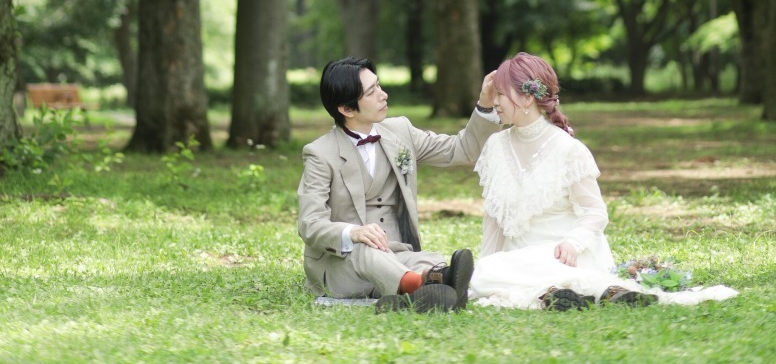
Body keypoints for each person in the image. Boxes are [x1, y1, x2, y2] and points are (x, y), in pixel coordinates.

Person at [469, 53, 738, 310]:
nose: (495, 102)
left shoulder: (568, 150)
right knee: (484, 272)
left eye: (501, 95)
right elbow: (493, 219)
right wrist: (485, 266)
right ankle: (568, 293)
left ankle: (574, 289)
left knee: (491, 274)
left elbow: (594, 212)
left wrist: (573, 243)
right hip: (516, 261)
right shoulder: (495, 146)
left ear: (527, 97)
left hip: (565, 255)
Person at [297, 56, 500, 314]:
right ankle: (419, 285)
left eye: (379, 85)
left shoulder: (400, 131)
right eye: (372, 92)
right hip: (344, 263)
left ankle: (425, 283)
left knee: (433, 259)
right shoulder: (319, 153)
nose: (383, 95)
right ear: (347, 109)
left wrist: (484, 105)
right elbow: (309, 224)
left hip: (396, 255)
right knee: (366, 251)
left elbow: (461, 150)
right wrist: (352, 232)